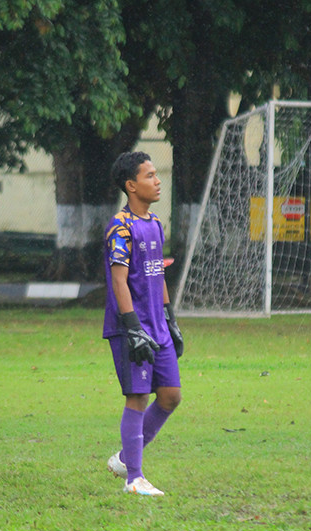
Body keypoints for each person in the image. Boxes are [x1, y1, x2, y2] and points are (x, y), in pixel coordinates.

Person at [102, 152, 184, 496]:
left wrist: (170, 318)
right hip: (131, 328)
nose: (157, 180)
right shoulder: (120, 227)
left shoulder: (154, 224)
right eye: (149, 175)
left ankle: (124, 457)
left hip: (158, 326)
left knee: (170, 397)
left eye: (156, 174)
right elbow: (119, 281)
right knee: (136, 397)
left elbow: (157, 273)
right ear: (131, 185)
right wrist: (133, 327)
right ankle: (133, 478)